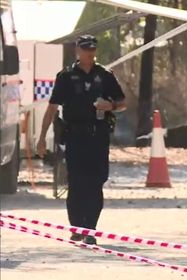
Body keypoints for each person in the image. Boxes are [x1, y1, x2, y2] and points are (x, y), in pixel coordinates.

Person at [37, 35, 126, 245]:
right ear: (78, 50)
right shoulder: (66, 76)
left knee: (96, 182)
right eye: (86, 49)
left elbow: (122, 102)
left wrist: (110, 106)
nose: (90, 53)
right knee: (77, 182)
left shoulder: (105, 75)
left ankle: (90, 229)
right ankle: (77, 226)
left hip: (98, 135)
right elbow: (52, 108)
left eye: (93, 49)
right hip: (75, 136)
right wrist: (41, 138)